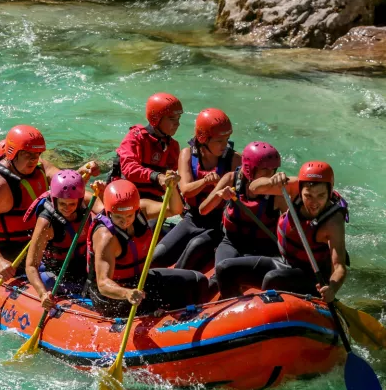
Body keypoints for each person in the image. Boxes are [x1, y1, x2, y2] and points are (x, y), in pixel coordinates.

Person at [211, 161, 348, 304]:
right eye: (308, 196)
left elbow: (339, 267)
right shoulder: (294, 187)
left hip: (312, 278)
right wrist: (272, 181)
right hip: (285, 263)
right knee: (224, 269)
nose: (314, 202)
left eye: (321, 196)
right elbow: (254, 187)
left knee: (273, 279)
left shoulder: (333, 222)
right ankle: (236, 311)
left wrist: (332, 288)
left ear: (329, 192)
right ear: (301, 190)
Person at [85, 177, 211, 317]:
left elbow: (174, 209)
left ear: (136, 209)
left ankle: (195, 318)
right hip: (113, 296)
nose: (125, 221)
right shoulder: (106, 238)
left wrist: (173, 187)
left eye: (129, 215)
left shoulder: (142, 210)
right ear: (109, 213)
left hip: (140, 279)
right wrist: (126, 293)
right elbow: (103, 284)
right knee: (153, 303)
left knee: (196, 280)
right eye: (118, 217)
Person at [151, 108, 240, 271]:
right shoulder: (187, 154)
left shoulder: (234, 159)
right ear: (203, 138)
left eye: (227, 139)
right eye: (219, 141)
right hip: (192, 217)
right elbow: (186, 190)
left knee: (195, 247)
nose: (225, 145)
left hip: (219, 223)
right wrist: (206, 181)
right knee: (157, 256)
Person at [0, 125, 57, 281]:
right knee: (50, 275)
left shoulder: (40, 167)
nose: (34, 159)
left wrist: (81, 175)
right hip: (5, 248)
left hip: (32, 240)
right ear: (13, 153)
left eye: (37, 154)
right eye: (28, 154)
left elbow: (63, 179)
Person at [209, 142, 297, 297]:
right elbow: (203, 209)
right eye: (264, 169)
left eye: (273, 170)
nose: (270, 174)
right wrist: (218, 196)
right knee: (217, 278)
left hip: (262, 247)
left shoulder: (278, 194)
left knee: (238, 274)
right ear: (250, 168)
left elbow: (294, 228)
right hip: (231, 242)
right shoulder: (231, 179)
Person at [22, 168, 102, 309]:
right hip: (58, 272)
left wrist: (103, 191)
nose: (68, 208)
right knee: (47, 282)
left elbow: (108, 211)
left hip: (83, 266)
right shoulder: (47, 223)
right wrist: (42, 294)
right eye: (63, 204)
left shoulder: (86, 201)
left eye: (72, 204)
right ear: (55, 200)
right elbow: (30, 266)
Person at [112, 93, 183, 212]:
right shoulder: (135, 137)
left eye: (178, 119)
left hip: (152, 198)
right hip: (125, 194)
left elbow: (172, 180)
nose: (177, 124)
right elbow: (129, 169)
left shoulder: (173, 146)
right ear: (155, 118)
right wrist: (157, 176)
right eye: (172, 119)